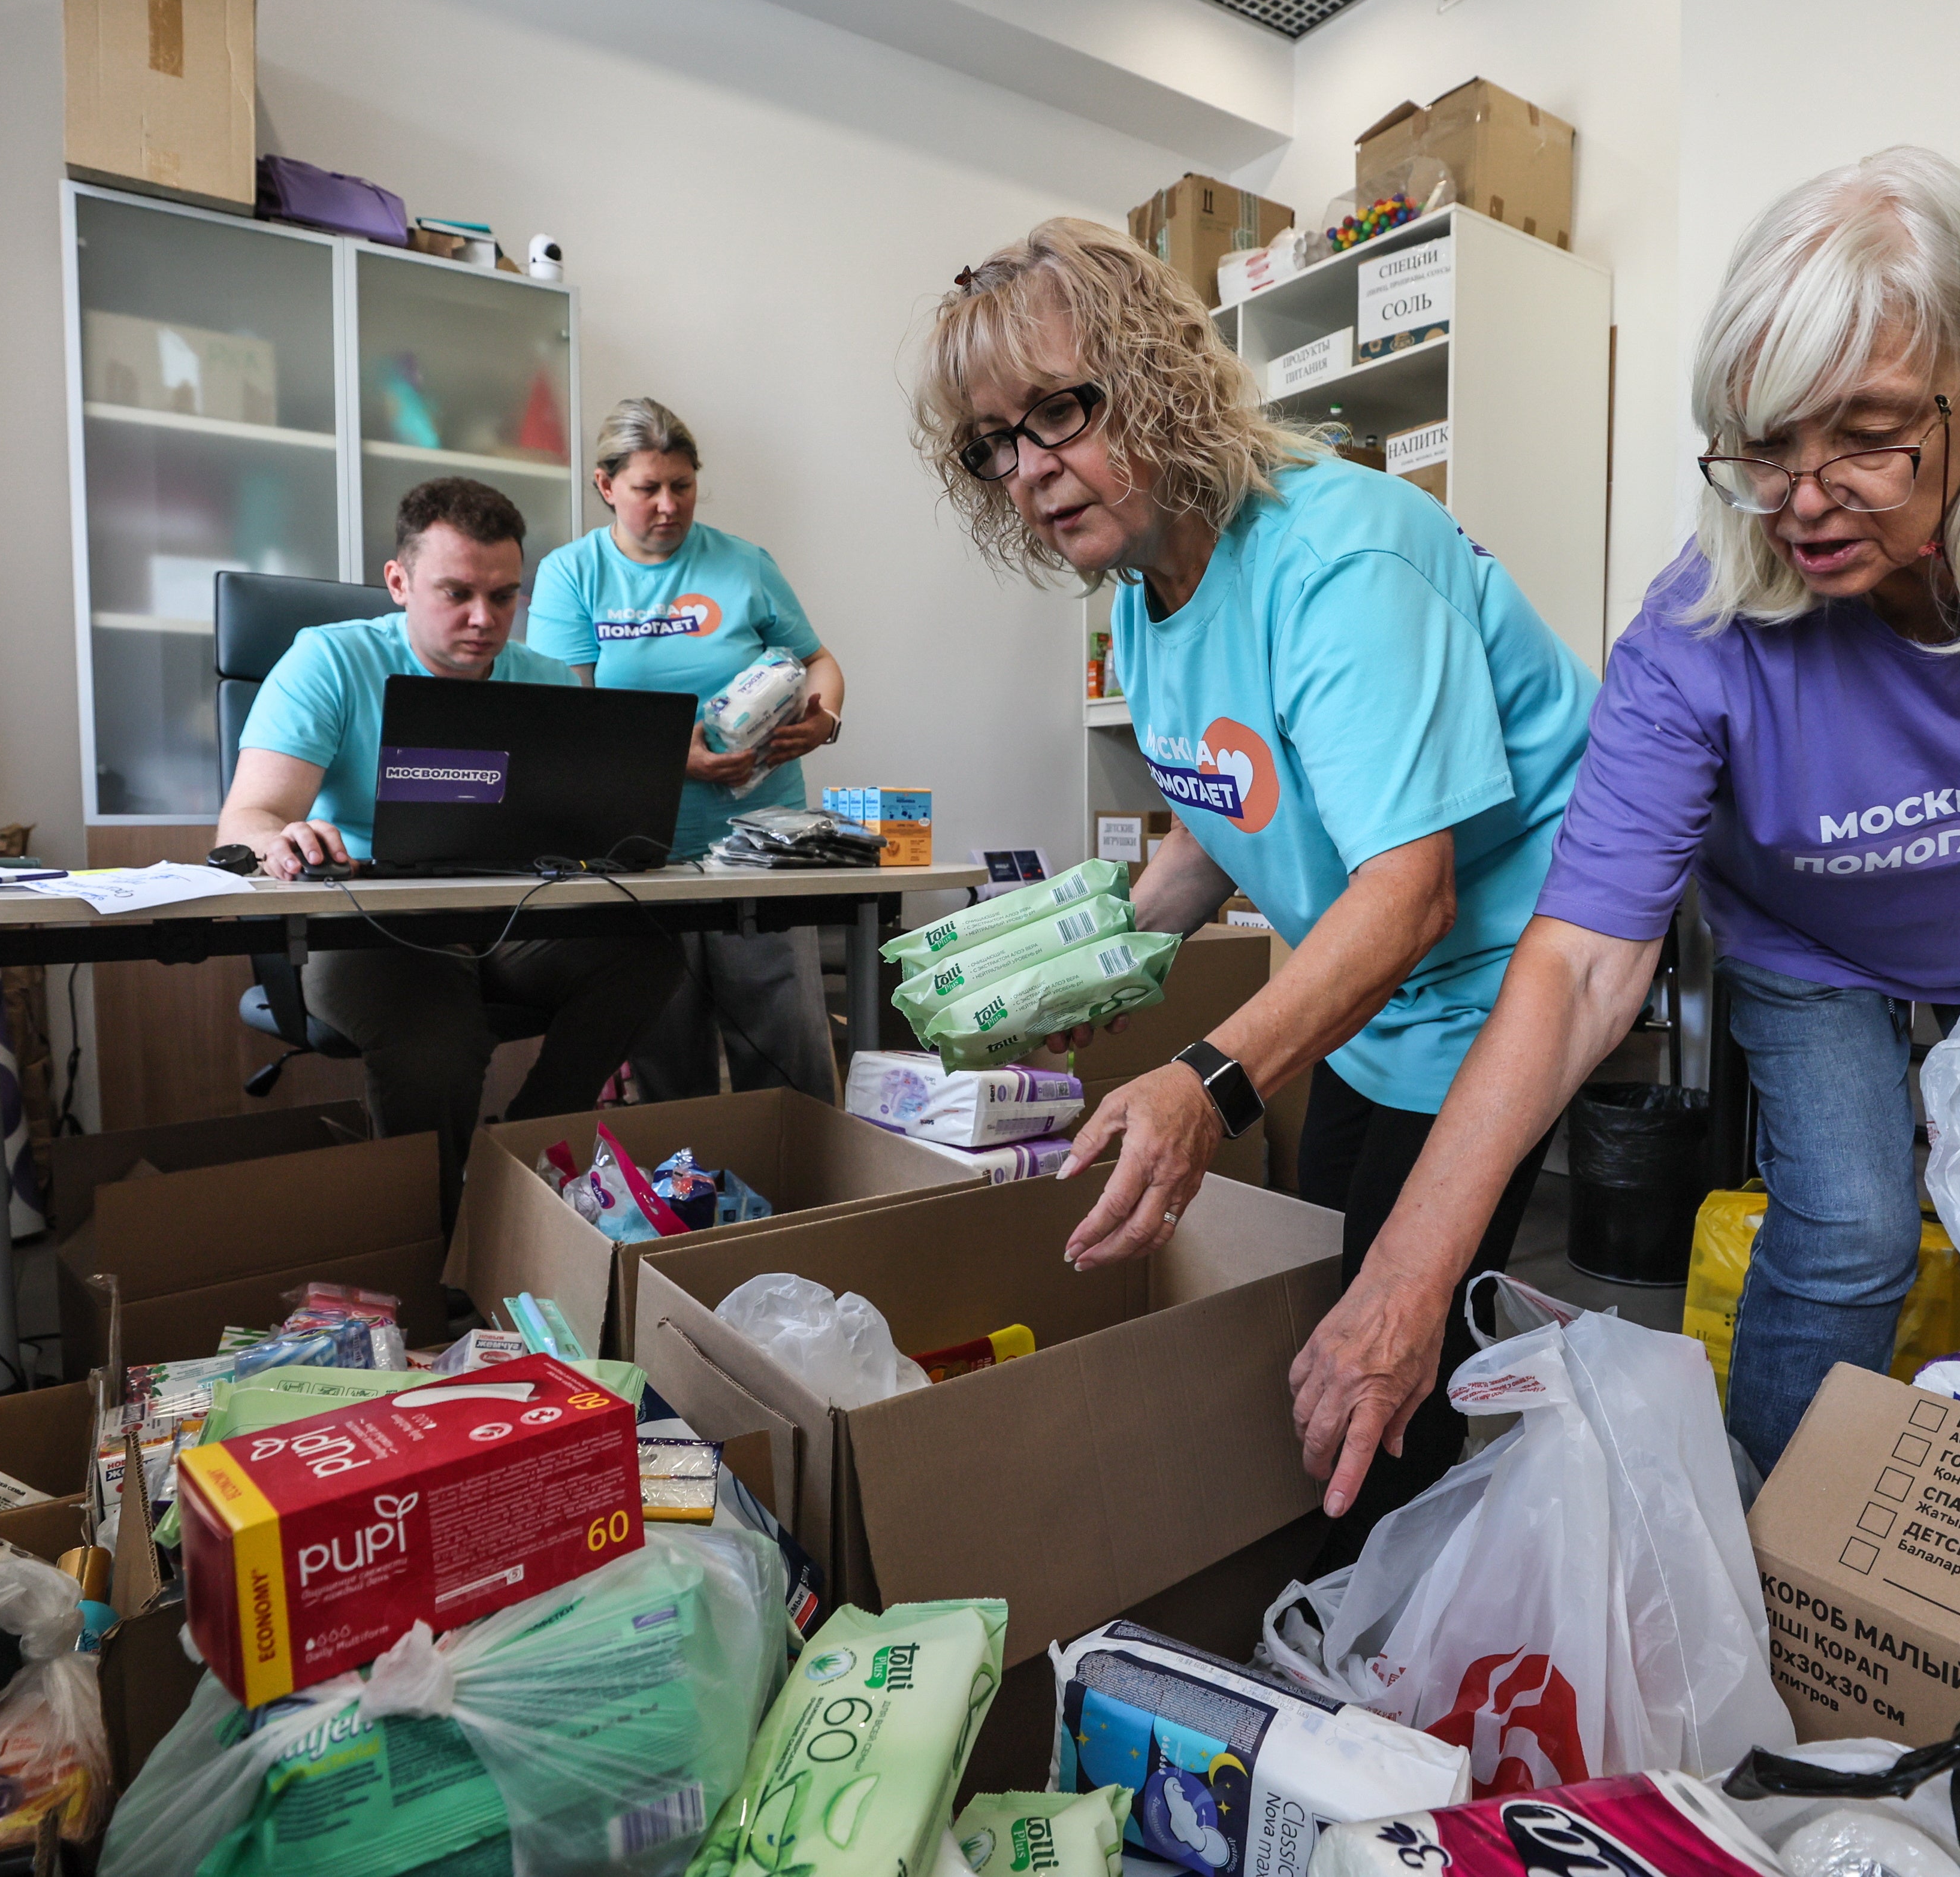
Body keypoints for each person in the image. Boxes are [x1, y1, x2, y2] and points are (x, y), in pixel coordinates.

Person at [1289, 147, 1960, 1506]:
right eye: (1765, 437)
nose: (1801, 498)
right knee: (1848, 1223)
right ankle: (1777, 1548)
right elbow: (1574, 968)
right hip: (1812, 940)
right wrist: (1404, 1277)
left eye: (1862, 431)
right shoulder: (1697, 636)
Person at [913, 218, 1598, 1552]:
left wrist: (1206, 1084)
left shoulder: (1339, 561)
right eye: (996, 445)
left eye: (1058, 411)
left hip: (1497, 979)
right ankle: (1340, 1572)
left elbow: (1410, 894)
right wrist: (1090, 961)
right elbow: (1219, 809)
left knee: (1392, 1342)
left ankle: (1390, 1644)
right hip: (1371, 982)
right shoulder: (1139, 579)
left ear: (1158, 372)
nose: (1032, 472)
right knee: (1313, 1287)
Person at [218, 475, 684, 1217]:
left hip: (507, 918)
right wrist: (284, 837)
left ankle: (519, 1162)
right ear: (398, 582)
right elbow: (246, 817)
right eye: (457, 593)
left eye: (504, 597)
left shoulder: (542, 678)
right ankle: (436, 1241)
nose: (484, 618)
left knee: (647, 954)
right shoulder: (329, 661)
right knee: (437, 1037)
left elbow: (578, 824)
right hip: (372, 923)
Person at [526, 398, 847, 1101]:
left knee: (792, 1061)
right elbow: (568, 721)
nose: (668, 506)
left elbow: (819, 661)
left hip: (762, 849)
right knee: (669, 1068)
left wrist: (824, 722)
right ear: (607, 487)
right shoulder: (571, 575)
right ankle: (692, 1207)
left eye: (683, 486)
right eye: (648, 489)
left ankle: (813, 1201)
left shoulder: (743, 563)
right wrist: (676, 760)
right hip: (644, 855)